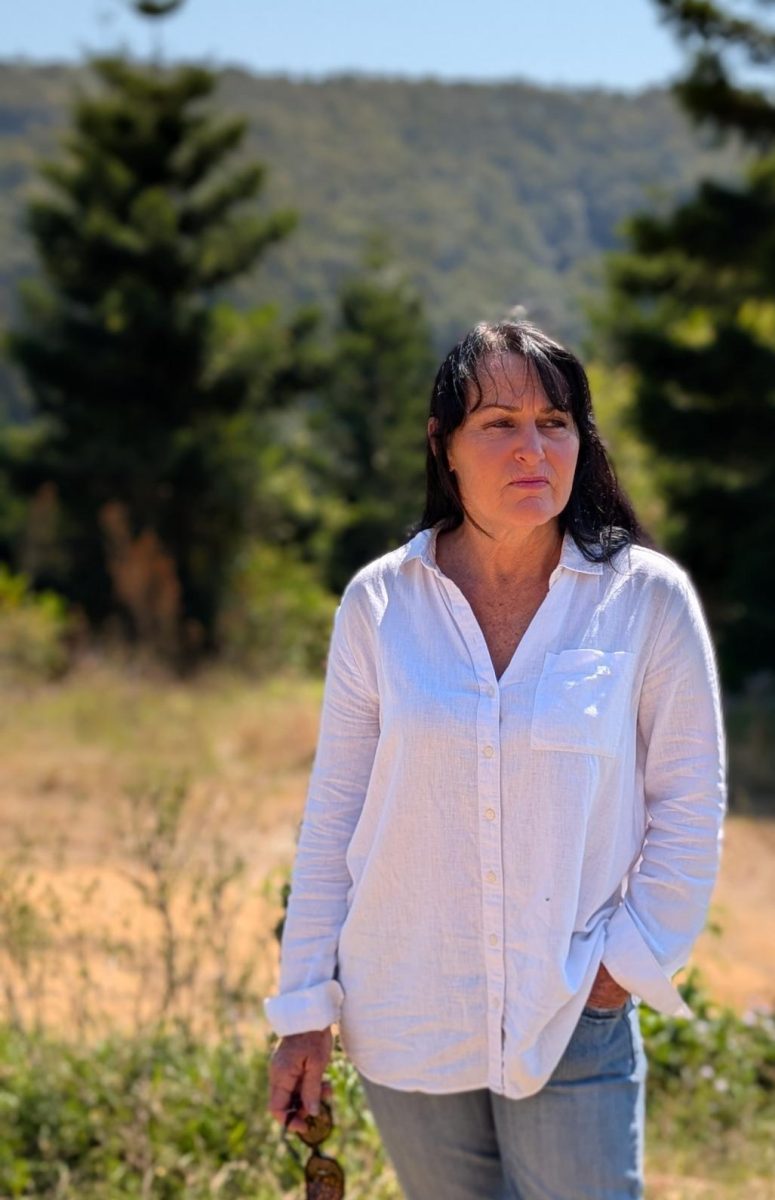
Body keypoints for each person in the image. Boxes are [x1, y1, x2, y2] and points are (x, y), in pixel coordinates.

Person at [264, 319, 727, 1200]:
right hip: (405, 1007)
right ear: (444, 447)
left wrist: (613, 971)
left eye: (554, 423)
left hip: (572, 1014)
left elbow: (688, 808)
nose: (533, 448)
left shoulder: (645, 602)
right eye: (499, 423)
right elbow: (335, 820)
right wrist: (303, 1013)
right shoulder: (379, 603)